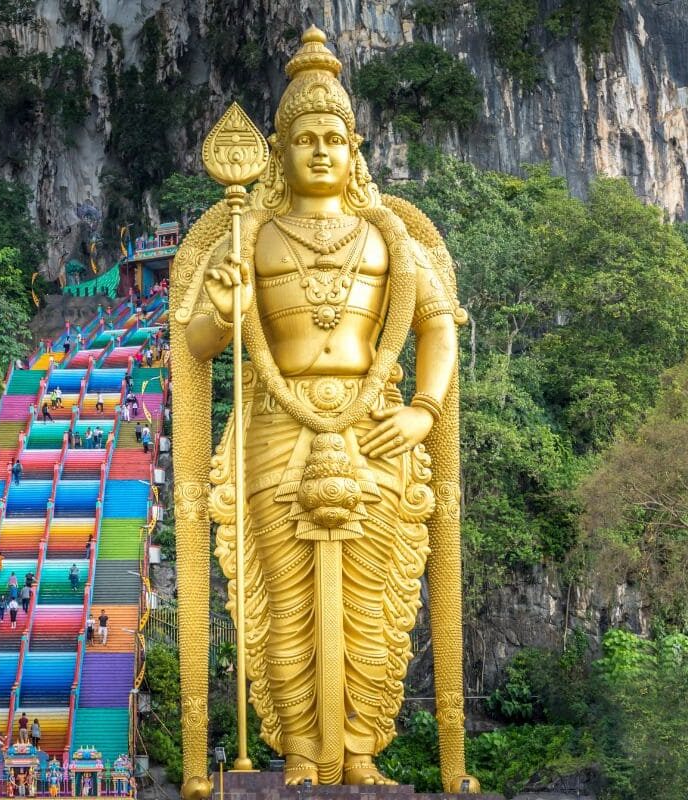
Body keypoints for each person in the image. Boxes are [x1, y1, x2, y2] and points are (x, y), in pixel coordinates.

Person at [172, 27, 479, 791]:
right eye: (302, 137)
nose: (318, 151)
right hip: (279, 427)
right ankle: (302, 752)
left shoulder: (390, 236)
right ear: (276, 150)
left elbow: (437, 325)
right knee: (285, 600)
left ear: (355, 147)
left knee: (374, 600)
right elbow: (200, 342)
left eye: (332, 138)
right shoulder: (249, 233)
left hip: (376, 426)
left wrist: (425, 409)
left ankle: (363, 750)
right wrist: (222, 305)